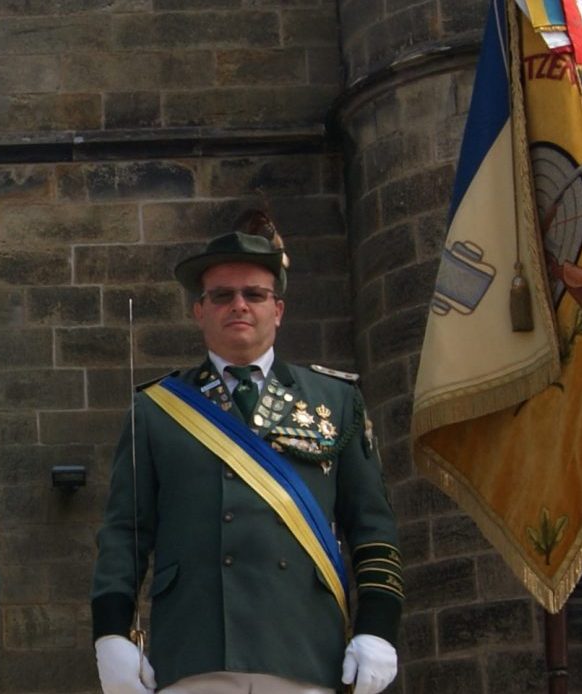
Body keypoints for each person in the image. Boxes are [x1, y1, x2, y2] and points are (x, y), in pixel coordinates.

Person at [91, 212, 402, 694]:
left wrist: (378, 626)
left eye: (254, 295)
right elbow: (125, 534)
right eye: (222, 296)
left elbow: (372, 525)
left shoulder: (335, 400)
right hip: (195, 650)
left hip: (304, 647)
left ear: (278, 310)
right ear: (200, 311)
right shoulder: (157, 409)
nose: (238, 305)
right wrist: (111, 632)